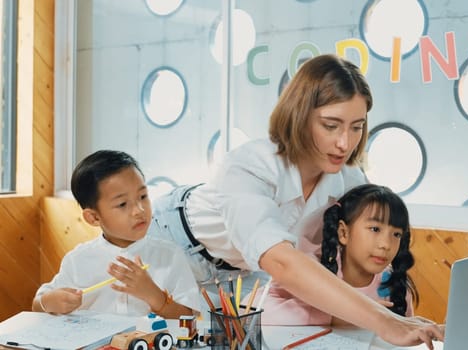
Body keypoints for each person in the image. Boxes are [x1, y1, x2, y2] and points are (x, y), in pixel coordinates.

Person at [148, 54, 443, 347]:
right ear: (299, 117)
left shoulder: (349, 179)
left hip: (244, 272)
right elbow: (282, 262)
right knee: (156, 337)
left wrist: (397, 315)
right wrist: (384, 322)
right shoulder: (248, 165)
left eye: (357, 126)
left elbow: (370, 238)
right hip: (175, 241)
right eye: (331, 125)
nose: (345, 142)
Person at [32, 150, 201, 319]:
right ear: (94, 217)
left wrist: (154, 296)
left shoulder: (169, 255)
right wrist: (50, 302)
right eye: (122, 204)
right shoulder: (78, 259)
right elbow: (37, 305)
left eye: (143, 196)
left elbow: (187, 317)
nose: (139, 210)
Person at [255, 183, 418, 325]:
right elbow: (250, 309)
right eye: (375, 229)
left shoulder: (395, 284)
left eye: (396, 234)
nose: (386, 245)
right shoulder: (311, 271)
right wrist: (345, 317)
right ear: (343, 233)